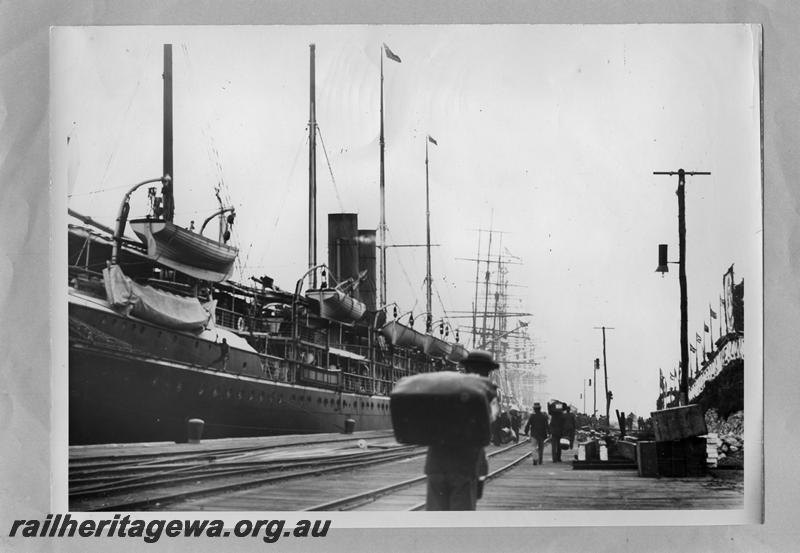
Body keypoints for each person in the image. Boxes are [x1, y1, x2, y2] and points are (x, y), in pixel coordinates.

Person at [425, 349, 498, 511]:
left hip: (435, 466)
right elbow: (485, 435)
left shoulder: (445, 389)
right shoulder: (484, 393)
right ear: (487, 371)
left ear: (466, 368)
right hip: (463, 468)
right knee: (459, 523)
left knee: (434, 522)